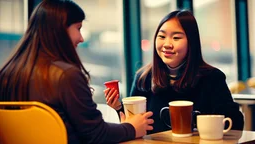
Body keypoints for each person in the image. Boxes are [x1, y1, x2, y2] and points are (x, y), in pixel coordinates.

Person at [0, 0, 154, 143]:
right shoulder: (66, 76)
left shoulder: (7, 74)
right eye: (78, 28)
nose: (81, 38)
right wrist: (132, 127)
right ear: (59, 30)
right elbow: (96, 134)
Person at [104, 9, 244, 134]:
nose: (167, 44)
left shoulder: (212, 78)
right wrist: (118, 108)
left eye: (176, 38)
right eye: (162, 36)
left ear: (191, 42)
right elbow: (135, 125)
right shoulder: (144, 78)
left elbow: (234, 124)